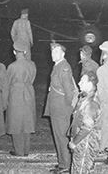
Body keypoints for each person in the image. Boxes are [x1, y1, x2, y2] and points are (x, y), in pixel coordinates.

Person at [43, 43, 78, 174]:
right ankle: (62, 162)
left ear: (63, 54)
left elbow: (69, 91)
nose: (53, 54)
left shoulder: (64, 67)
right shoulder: (57, 66)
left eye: (56, 52)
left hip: (62, 108)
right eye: (52, 52)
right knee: (58, 136)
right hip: (57, 107)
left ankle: (66, 166)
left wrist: (68, 108)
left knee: (62, 136)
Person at [69, 72, 101, 174]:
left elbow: (87, 127)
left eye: (82, 81)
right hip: (81, 140)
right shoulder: (84, 98)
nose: (79, 83)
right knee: (77, 167)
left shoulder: (91, 104)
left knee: (81, 169)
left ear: (90, 84)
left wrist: (75, 142)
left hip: (85, 142)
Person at [6, 48, 36, 157]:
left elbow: (7, 82)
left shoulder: (12, 66)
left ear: (14, 52)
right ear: (25, 52)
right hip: (28, 93)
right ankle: (26, 150)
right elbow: (32, 79)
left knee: (16, 122)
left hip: (15, 94)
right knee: (27, 122)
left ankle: (19, 151)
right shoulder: (32, 64)